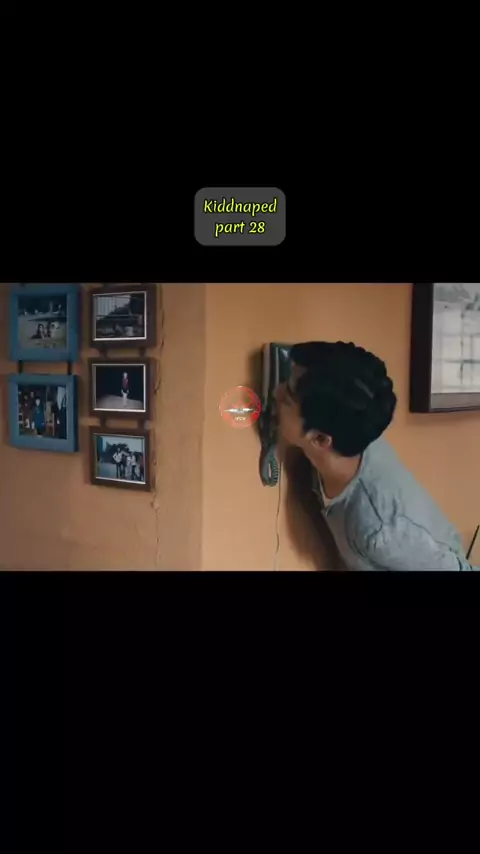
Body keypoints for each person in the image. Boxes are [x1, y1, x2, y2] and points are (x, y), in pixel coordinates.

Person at [276, 341, 475, 571]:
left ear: (320, 440)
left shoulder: (377, 527)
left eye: (286, 398)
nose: (275, 393)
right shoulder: (352, 431)